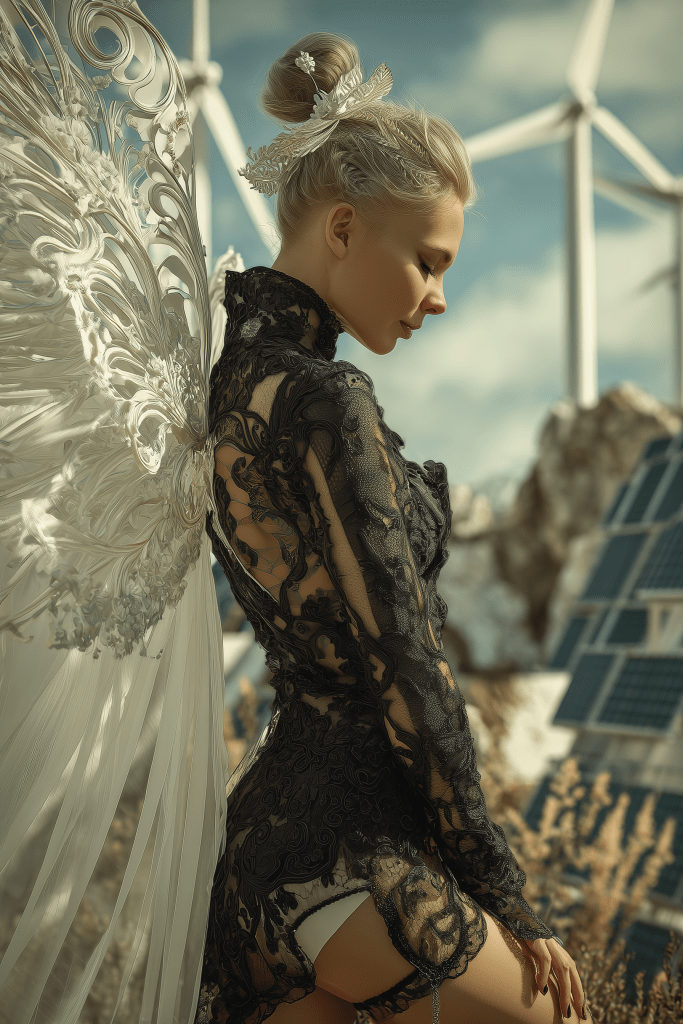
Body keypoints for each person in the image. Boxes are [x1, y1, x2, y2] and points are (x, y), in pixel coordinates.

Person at [193, 32, 589, 1024]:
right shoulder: (327, 400)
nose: (439, 297)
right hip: (352, 858)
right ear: (340, 227)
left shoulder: (227, 379)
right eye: (425, 260)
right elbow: (405, 663)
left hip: (261, 865)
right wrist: (508, 894)